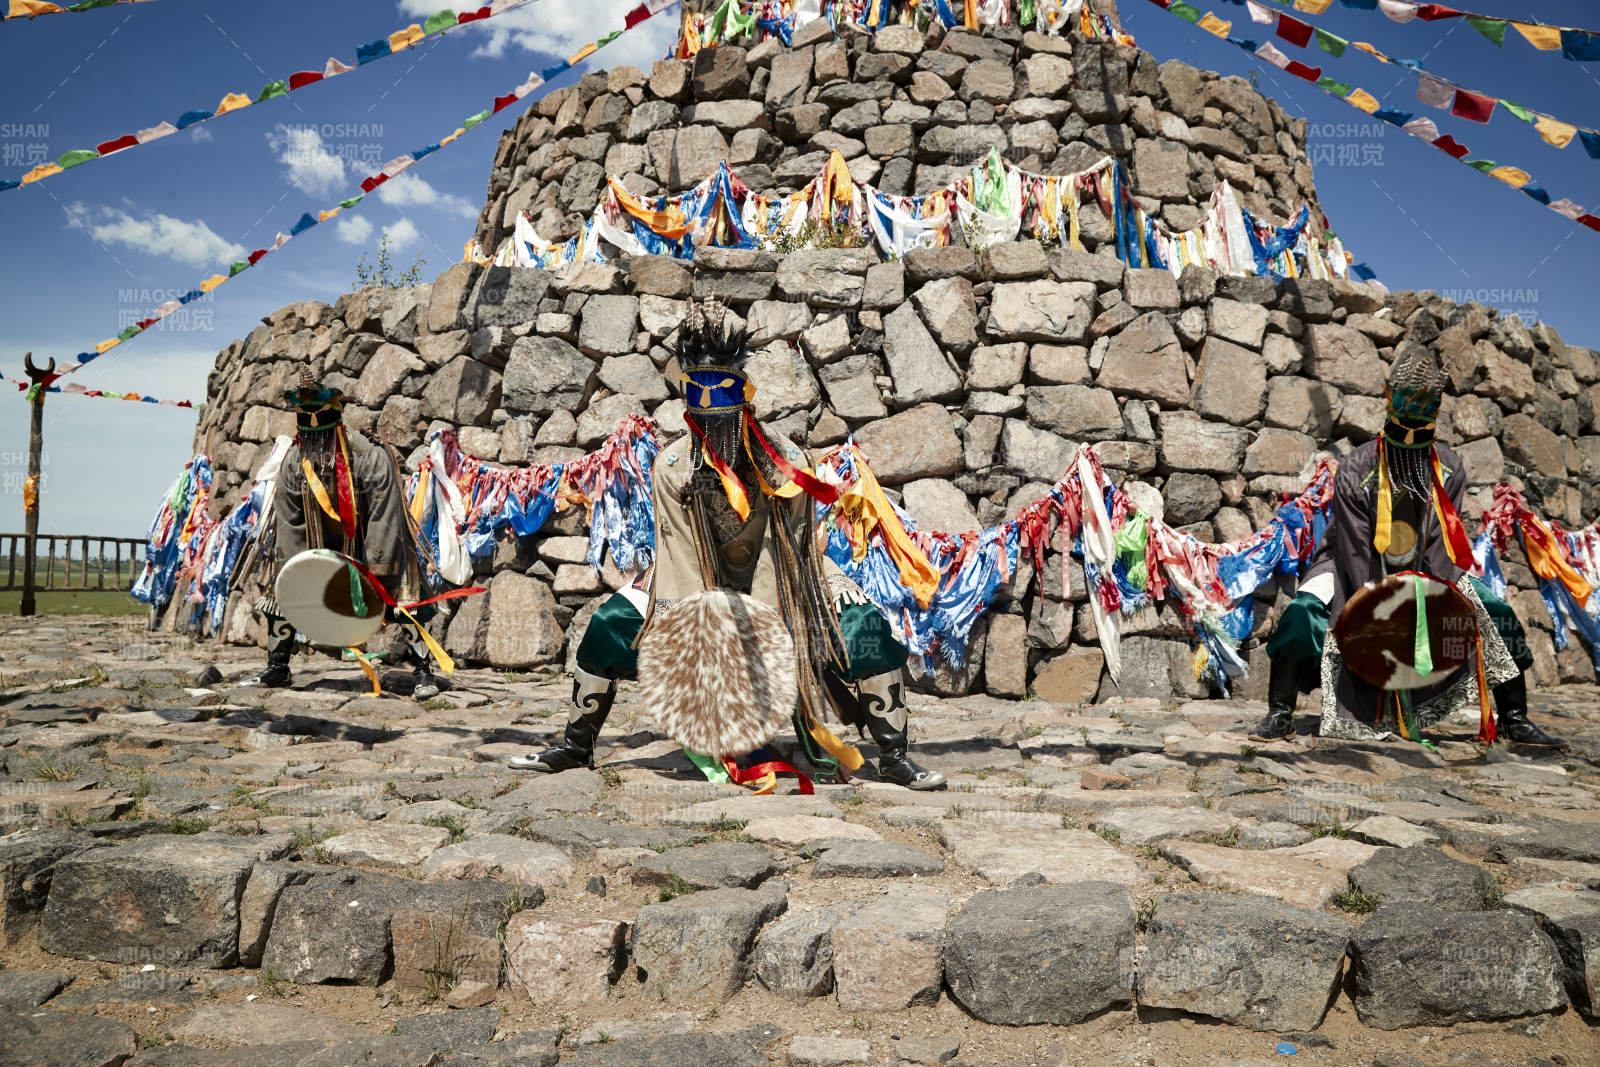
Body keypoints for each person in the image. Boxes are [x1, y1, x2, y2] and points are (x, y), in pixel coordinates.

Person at [507, 299, 946, 790]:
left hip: (788, 587)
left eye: (727, 419)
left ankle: (893, 756)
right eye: (705, 421)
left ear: (746, 405)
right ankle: (576, 745)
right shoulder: (671, 467)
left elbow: (792, 553)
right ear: (689, 412)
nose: (717, 433)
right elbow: (681, 562)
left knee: (864, 624)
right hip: (695, 594)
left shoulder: (786, 461)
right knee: (609, 624)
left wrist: (764, 627)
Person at [1251, 345, 1561, 747]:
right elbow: (1354, 545)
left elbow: (1441, 541)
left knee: (1494, 608)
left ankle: (1513, 717)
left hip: (1429, 570)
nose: (1408, 452)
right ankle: (1280, 712)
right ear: (1388, 416)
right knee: (1303, 611)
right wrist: (1377, 600)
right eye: (1401, 438)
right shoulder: (1357, 467)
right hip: (1349, 566)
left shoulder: (1449, 466)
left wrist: (1429, 594)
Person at [238, 370, 441, 700]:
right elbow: (290, 524)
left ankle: (423, 671)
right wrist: (298, 572)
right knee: (281, 590)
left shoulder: (371, 457)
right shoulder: (293, 463)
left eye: (324, 441)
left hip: (373, 543)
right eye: (310, 442)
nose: (317, 449)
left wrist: (372, 576)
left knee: (405, 593)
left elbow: (385, 517)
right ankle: (278, 668)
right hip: (319, 545)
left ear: (336, 429)